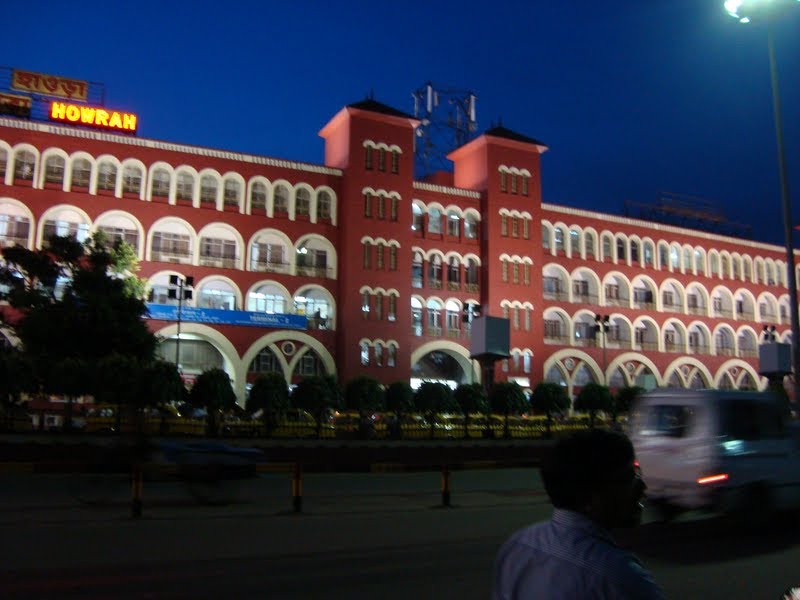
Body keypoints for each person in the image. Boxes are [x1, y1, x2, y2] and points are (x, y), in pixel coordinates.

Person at [493, 429, 664, 599]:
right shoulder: (619, 577)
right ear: (592, 497)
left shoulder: (518, 545)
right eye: (630, 477)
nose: (642, 487)